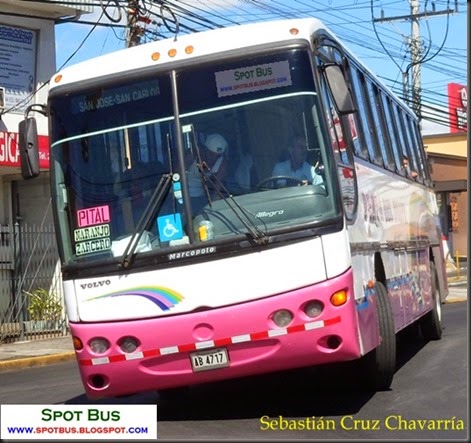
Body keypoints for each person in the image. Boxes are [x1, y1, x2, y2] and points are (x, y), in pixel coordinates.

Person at [186, 133, 229, 211]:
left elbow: (217, 185)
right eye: (211, 154)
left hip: (200, 196)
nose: (214, 158)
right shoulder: (192, 157)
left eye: (217, 156)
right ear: (205, 150)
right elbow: (177, 175)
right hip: (183, 196)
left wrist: (214, 201)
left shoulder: (222, 163)